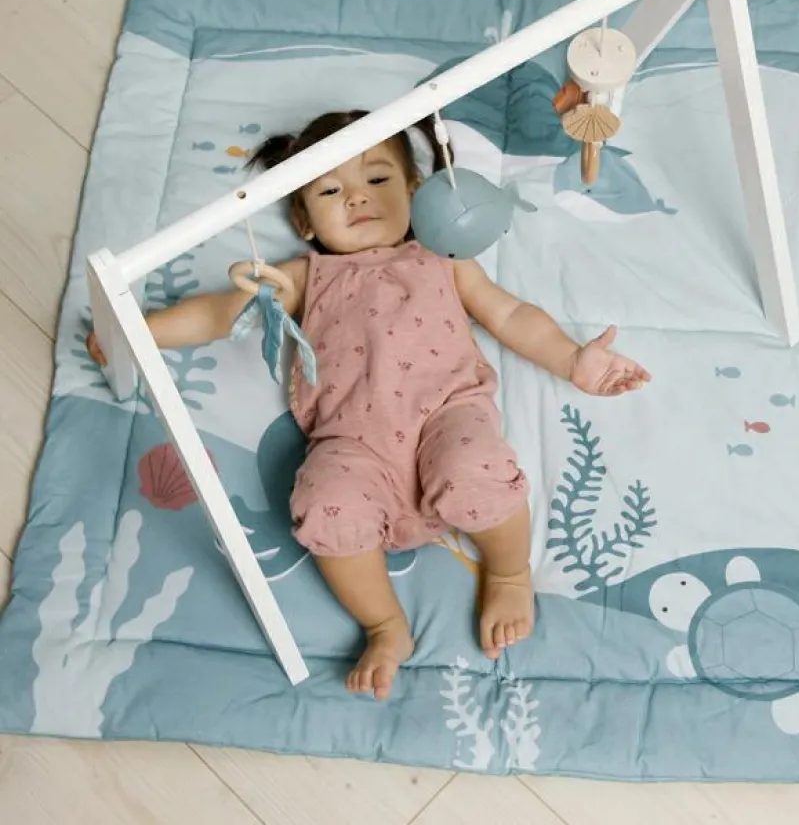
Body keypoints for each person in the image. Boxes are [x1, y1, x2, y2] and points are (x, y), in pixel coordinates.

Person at [88, 110, 651, 700]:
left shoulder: (441, 256)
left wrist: (572, 359)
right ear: (303, 220)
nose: (357, 197)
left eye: (377, 179)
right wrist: (137, 330)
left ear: (415, 191)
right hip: (352, 440)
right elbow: (219, 312)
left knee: (476, 469)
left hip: (446, 414)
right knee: (322, 505)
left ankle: (509, 572)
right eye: (331, 191)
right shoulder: (305, 276)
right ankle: (384, 624)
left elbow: (508, 314)